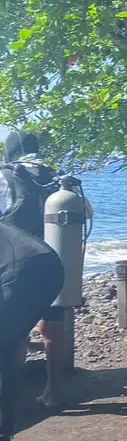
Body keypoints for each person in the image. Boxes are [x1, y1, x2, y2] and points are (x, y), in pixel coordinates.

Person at [0, 130, 66, 407]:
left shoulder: (6, 175)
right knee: (52, 328)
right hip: (54, 261)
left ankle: (12, 395)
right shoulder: (55, 176)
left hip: (15, 262)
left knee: (13, 333)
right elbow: (83, 213)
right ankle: (55, 391)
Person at [0, 221, 64, 441]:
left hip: (22, 270)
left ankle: (1, 440)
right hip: (50, 264)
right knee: (11, 341)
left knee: (3, 350)